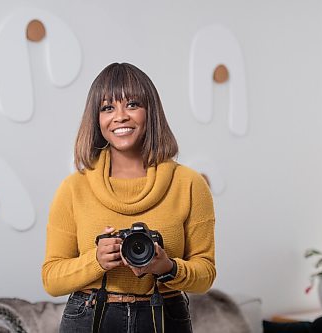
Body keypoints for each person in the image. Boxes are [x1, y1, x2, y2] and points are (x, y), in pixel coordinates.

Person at [42, 62, 216, 333]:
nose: (120, 116)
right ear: (97, 119)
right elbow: (51, 279)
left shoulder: (190, 184)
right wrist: (96, 260)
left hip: (164, 314)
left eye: (132, 104)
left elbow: (205, 275)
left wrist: (167, 267)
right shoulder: (74, 188)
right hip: (90, 315)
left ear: (151, 112)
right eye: (107, 107)